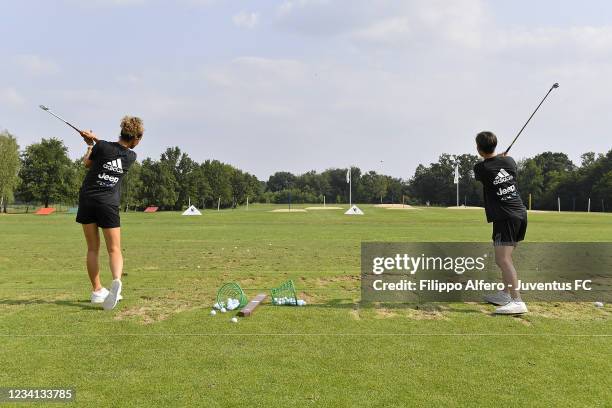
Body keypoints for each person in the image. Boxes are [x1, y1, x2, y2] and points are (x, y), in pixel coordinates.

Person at [76, 116, 143, 310]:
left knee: (92, 249)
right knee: (114, 249)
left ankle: (97, 291)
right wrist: (95, 139)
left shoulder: (102, 147)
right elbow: (113, 149)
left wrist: (90, 144)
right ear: (135, 138)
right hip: (108, 204)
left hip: (88, 199)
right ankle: (116, 283)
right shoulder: (130, 157)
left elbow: (87, 163)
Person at [473, 131, 528, 314]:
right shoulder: (510, 162)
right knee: (505, 258)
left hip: (506, 216)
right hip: (518, 213)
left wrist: (496, 159)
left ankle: (517, 300)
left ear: (479, 149)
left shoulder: (481, 169)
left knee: (502, 259)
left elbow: (487, 167)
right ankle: (505, 294)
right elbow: (501, 163)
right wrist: (501, 158)